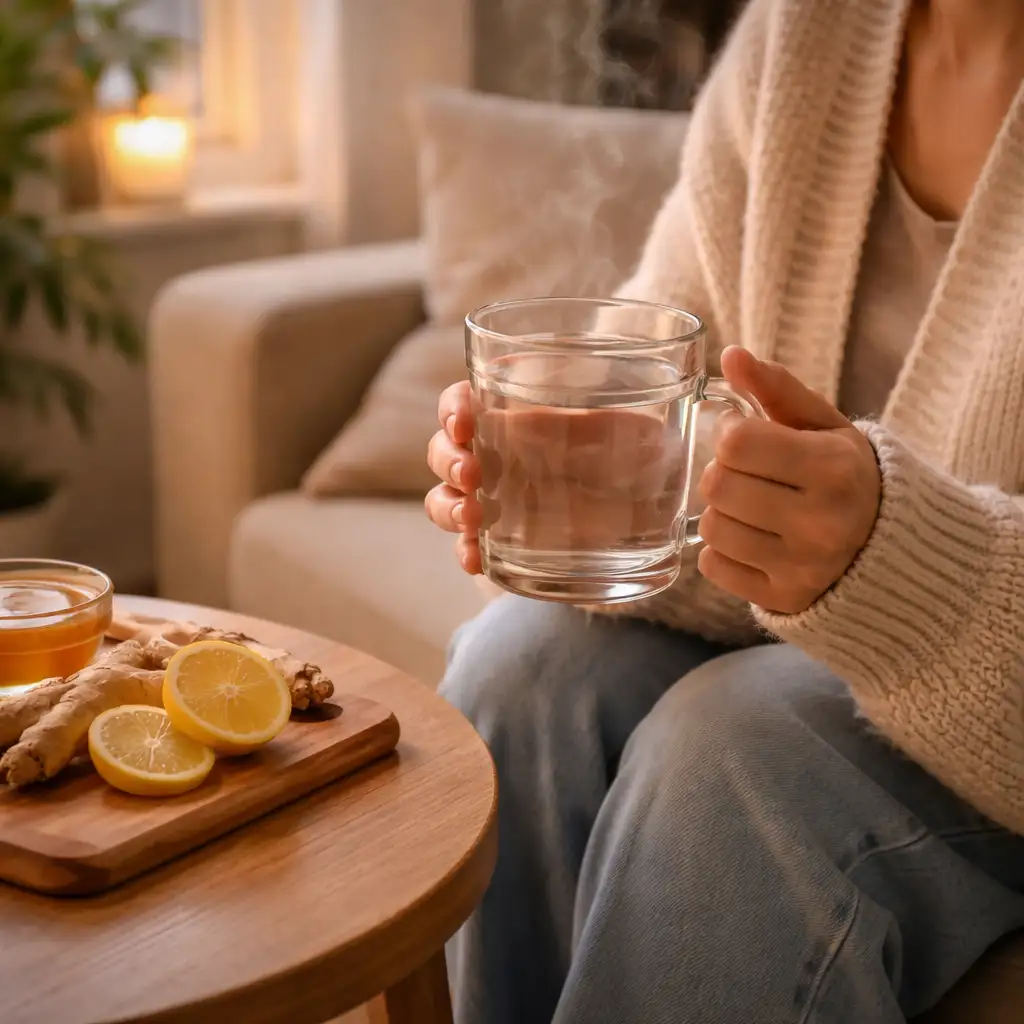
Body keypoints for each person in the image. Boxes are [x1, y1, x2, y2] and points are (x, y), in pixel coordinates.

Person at [424, 0, 1024, 1020]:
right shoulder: (802, 34)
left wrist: (892, 562)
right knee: (521, 666)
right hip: (830, 654)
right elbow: (671, 359)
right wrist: (601, 473)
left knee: (728, 755)